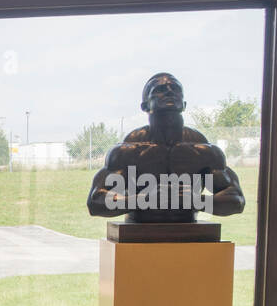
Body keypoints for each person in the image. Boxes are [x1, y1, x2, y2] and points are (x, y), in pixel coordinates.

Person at [87, 72, 244, 222]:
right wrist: (144, 200)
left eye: (175, 89)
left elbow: (236, 199)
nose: (169, 92)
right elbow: (96, 201)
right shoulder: (127, 152)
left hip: (188, 231)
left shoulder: (204, 151)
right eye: (160, 90)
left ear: (184, 104)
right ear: (145, 106)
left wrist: (196, 200)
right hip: (139, 231)